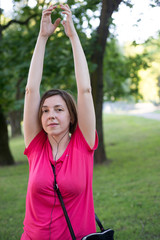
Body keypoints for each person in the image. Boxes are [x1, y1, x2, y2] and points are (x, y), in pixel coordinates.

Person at [21, 4, 98, 240]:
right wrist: (42, 37)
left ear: (71, 116)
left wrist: (73, 36)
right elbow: (31, 91)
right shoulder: (36, 147)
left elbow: (84, 90)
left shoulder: (83, 144)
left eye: (58, 109)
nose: (50, 115)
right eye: (45, 111)